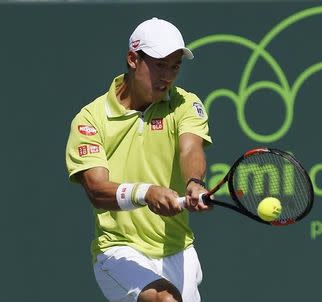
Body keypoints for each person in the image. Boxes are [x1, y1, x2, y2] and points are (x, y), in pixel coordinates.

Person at [65, 17, 212, 302]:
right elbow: (97, 189)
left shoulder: (185, 104)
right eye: (159, 65)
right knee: (164, 299)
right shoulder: (90, 119)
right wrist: (147, 193)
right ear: (133, 59)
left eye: (175, 66)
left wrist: (194, 183)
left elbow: (190, 149)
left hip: (179, 251)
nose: (168, 76)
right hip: (119, 251)